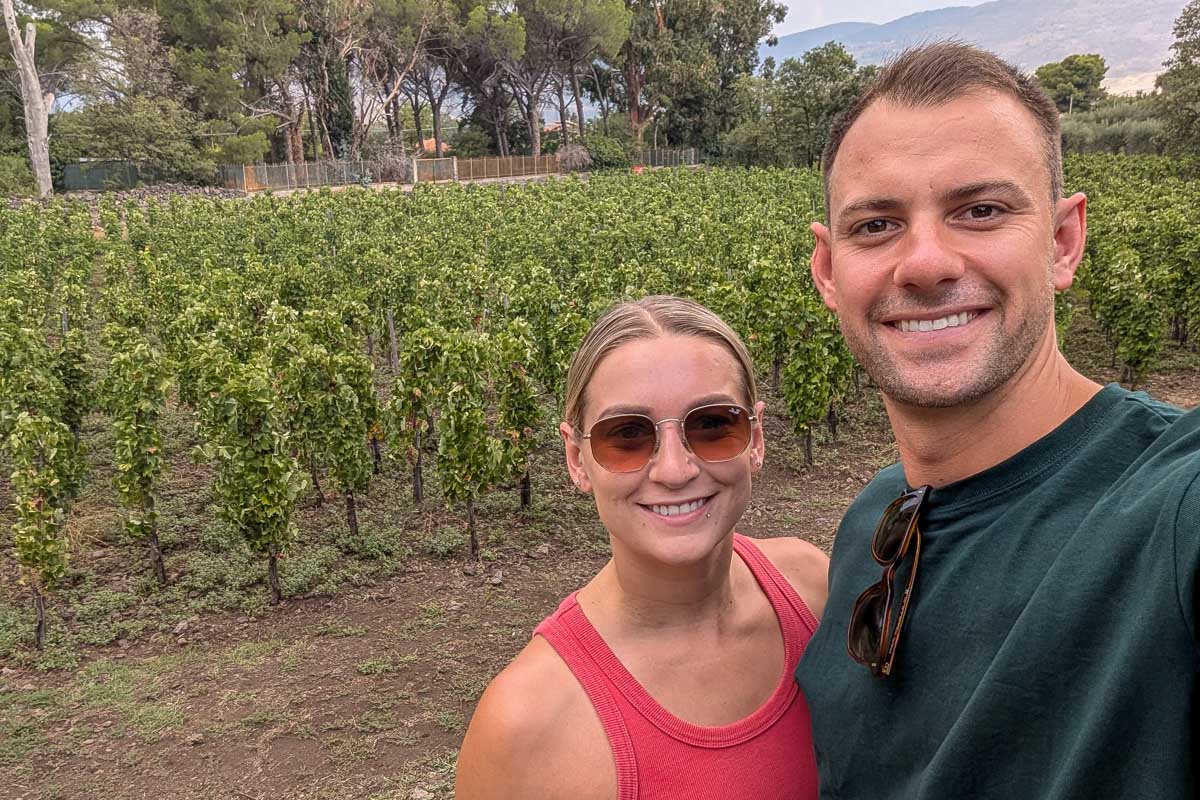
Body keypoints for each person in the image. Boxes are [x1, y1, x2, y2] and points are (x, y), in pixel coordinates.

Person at [795, 41, 1200, 798]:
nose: (925, 263)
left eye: (980, 211)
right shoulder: (872, 524)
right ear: (828, 270)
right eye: (876, 225)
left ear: (1063, 242)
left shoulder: (1172, 510)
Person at [456, 295, 829, 800]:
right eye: (627, 435)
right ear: (577, 459)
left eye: (712, 425)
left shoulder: (813, 589)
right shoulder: (525, 726)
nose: (675, 470)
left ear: (756, 439)